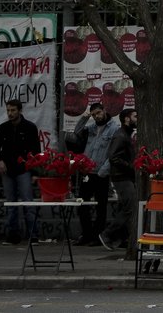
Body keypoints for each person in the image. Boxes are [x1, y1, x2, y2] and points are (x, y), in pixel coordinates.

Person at [0, 100, 41, 245]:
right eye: (8, 110)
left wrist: (34, 172)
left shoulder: (30, 127)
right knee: (10, 204)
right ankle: (13, 235)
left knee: (28, 203)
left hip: (24, 170)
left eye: (13, 110)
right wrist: (0, 160)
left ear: (20, 111)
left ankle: (33, 235)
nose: (10, 113)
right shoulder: (2, 128)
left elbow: (36, 152)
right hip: (8, 171)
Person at [72, 102, 119, 246]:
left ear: (104, 110)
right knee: (83, 203)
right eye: (93, 115)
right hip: (87, 171)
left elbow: (113, 153)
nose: (97, 116)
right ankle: (85, 234)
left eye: (98, 113)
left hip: (101, 172)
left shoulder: (114, 128)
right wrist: (85, 118)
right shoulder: (92, 127)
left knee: (101, 206)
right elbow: (77, 132)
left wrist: (103, 172)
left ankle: (97, 236)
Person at [100, 108, 137, 250]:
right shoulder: (120, 136)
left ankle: (121, 237)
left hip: (125, 176)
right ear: (127, 119)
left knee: (126, 206)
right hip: (122, 177)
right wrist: (131, 167)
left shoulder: (125, 134)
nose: (137, 119)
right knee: (130, 206)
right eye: (135, 116)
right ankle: (108, 234)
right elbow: (113, 156)